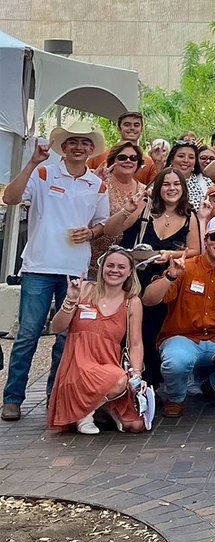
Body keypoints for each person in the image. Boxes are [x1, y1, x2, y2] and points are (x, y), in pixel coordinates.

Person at [2, 123, 111, 422]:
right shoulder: (42, 173)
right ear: (63, 147)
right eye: (73, 141)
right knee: (27, 335)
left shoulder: (97, 184)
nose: (79, 147)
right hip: (38, 266)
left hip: (74, 271)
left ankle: (55, 396)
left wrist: (90, 233)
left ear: (92, 149)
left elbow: (102, 224)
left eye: (85, 143)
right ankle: (12, 398)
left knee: (66, 339)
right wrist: (33, 162)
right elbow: (10, 198)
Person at [141, 216, 215, 417]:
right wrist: (170, 276)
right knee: (176, 362)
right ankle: (175, 398)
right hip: (183, 338)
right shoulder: (185, 267)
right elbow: (148, 300)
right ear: (206, 239)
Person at [105, 168, 202, 385]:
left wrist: (170, 254)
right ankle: (117, 382)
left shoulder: (189, 216)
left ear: (183, 188)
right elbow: (111, 231)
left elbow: (195, 251)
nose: (171, 189)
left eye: (176, 184)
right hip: (131, 280)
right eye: (166, 184)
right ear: (158, 187)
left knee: (152, 333)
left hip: (162, 281)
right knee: (123, 332)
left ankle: (147, 386)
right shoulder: (144, 208)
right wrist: (125, 210)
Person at [46, 247, 146, 434]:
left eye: (121, 267)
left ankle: (98, 407)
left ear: (130, 272)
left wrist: (136, 374)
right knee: (117, 380)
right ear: (101, 268)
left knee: (135, 425)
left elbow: (135, 343)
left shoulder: (132, 302)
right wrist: (70, 300)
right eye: (110, 265)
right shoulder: (84, 289)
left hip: (107, 367)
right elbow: (57, 327)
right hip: (77, 367)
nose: (114, 270)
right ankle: (86, 416)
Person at [90, 142, 146, 275]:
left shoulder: (144, 191)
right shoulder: (100, 182)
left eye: (133, 158)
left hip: (124, 267)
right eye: (122, 157)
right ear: (112, 160)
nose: (128, 161)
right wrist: (93, 186)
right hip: (93, 261)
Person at [88, 111, 158, 185]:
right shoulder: (99, 155)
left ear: (141, 130)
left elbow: (155, 189)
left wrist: (159, 163)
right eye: (127, 125)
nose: (132, 128)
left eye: (136, 125)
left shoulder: (149, 162)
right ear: (119, 129)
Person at [166, 141, 212, 211]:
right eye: (181, 156)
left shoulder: (206, 183)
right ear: (171, 160)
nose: (186, 160)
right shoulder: (162, 182)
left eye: (191, 157)